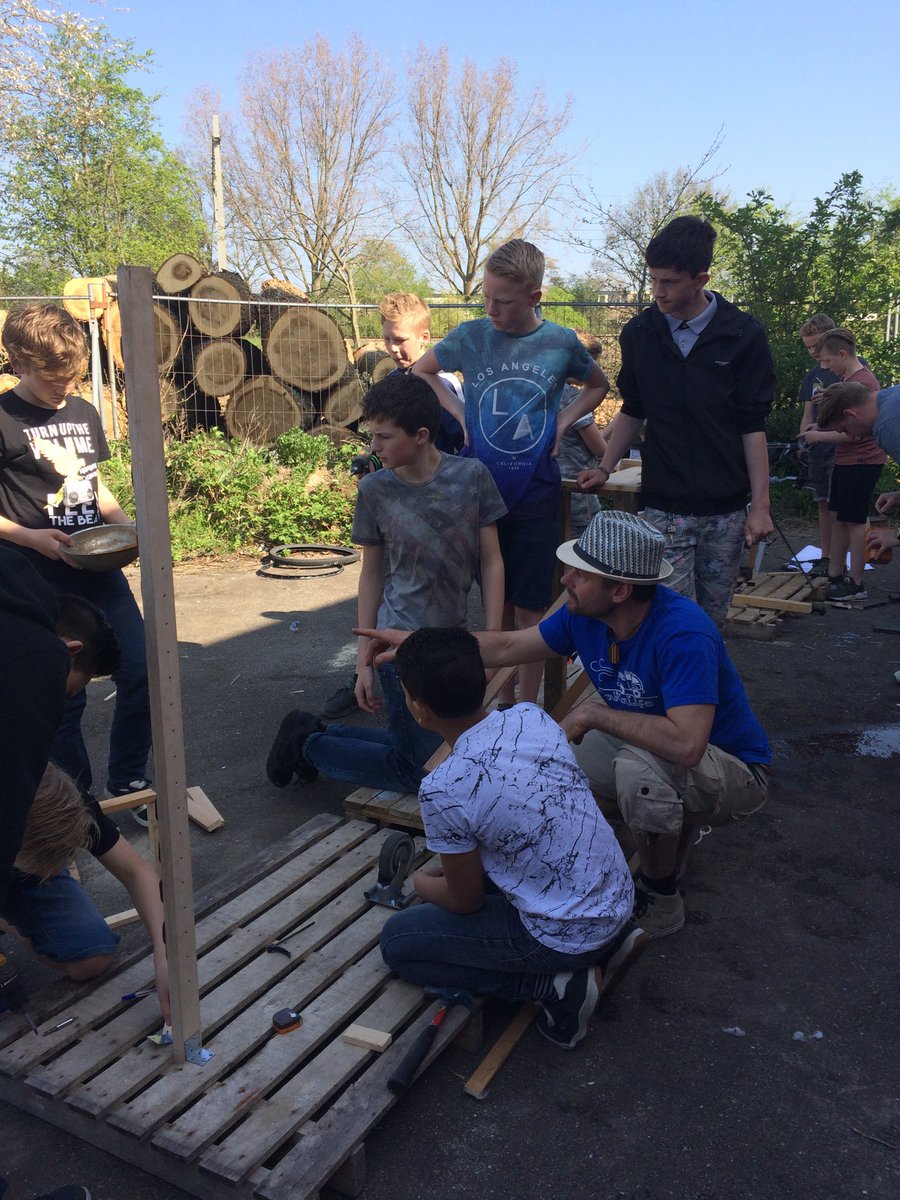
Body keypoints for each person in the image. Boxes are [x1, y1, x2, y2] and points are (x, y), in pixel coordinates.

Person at [359, 511, 771, 940]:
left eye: (580, 574)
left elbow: (687, 745)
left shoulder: (683, 633)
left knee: (637, 774)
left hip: (732, 770)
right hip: (648, 744)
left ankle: (660, 894)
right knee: (548, 770)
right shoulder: (586, 616)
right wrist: (416, 642)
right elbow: (509, 645)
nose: (565, 582)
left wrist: (593, 713)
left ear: (620, 590)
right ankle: (562, 873)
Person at [378, 626, 644, 1050]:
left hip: (563, 933)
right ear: (483, 679)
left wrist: (422, 884)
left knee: (398, 943)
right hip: (615, 899)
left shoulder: (444, 787)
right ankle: (607, 945)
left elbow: (466, 901)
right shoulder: (530, 717)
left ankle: (551, 984)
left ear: (418, 708)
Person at [266, 372, 506, 795]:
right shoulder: (375, 490)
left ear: (421, 435)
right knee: (422, 771)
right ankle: (308, 745)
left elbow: (491, 561)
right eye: (371, 435)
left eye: (383, 436)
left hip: (451, 640)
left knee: (426, 751)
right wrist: (363, 662)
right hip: (398, 645)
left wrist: (491, 643)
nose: (372, 447)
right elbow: (371, 573)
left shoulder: (471, 477)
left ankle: (308, 733)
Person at [413, 238, 611, 705]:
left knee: (531, 608)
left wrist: (563, 421)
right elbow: (422, 371)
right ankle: (495, 703)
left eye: (502, 301)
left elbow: (598, 385)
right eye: (486, 297)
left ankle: (526, 705)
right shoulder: (471, 335)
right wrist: (460, 413)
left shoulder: (559, 343)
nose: (492, 309)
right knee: (493, 605)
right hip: (481, 495)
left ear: (534, 298)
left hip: (535, 493)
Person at [579, 216, 776, 627]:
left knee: (712, 620)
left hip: (725, 509)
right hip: (663, 507)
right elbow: (633, 408)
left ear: (700, 278)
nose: (657, 291)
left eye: (668, 282)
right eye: (653, 279)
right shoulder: (640, 333)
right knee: (670, 619)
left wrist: (761, 507)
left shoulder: (742, 334)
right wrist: (604, 467)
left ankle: (704, 691)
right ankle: (669, 692)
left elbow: (752, 425)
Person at [0, 304, 152, 819]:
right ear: (20, 362)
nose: (63, 388)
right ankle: (77, 803)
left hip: (97, 568)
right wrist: (31, 538)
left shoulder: (82, 412)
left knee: (142, 670)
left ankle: (129, 776)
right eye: (52, 380)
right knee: (63, 694)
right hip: (36, 577)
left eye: (72, 377)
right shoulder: (2, 418)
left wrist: (128, 527)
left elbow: (92, 484)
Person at [0, 578, 171, 1022]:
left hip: (19, 851)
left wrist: (167, 953)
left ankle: (15, 914)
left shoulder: (48, 776)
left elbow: (137, 873)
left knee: (92, 956)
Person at [321, 293, 465, 722]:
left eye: (400, 340)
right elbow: (385, 437)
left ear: (425, 337)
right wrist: (373, 463)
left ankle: (410, 683)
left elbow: (454, 446)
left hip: (436, 511)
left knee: (424, 603)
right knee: (386, 586)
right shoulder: (396, 382)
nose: (392, 349)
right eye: (386, 340)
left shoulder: (444, 386)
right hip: (396, 502)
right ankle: (371, 670)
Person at [802, 329, 883, 601]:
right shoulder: (848, 379)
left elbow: (856, 431)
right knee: (838, 517)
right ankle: (835, 574)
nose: (824, 367)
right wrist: (820, 425)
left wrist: (819, 435)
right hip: (845, 460)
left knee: (854, 520)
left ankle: (856, 582)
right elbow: (843, 424)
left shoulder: (864, 382)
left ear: (842, 354)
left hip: (863, 460)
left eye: (826, 361)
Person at [816, 380, 900, 560]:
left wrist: (897, 535)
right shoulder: (892, 397)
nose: (853, 436)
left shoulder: (887, 426)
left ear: (850, 414)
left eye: (845, 429)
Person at [796, 314, 841, 577]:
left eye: (817, 345)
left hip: (842, 448)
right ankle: (825, 556)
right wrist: (803, 440)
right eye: (808, 347)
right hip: (818, 450)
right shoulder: (812, 376)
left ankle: (845, 558)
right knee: (822, 503)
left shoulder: (848, 369)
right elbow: (807, 413)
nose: (813, 352)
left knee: (841, 505)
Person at [556, 329, 609, 538]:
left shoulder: (544, 388)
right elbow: (598, 447)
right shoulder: (572, 396)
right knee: (585, 549)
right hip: (577, 487)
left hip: (546, 487)